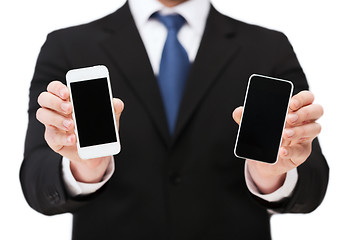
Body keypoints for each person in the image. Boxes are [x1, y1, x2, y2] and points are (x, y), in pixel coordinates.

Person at [20, 0, 329, 239]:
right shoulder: (67, 47)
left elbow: (313, 184)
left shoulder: (270, 49)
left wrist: (270, 175)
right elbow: (36, 184)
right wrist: (84, 168)